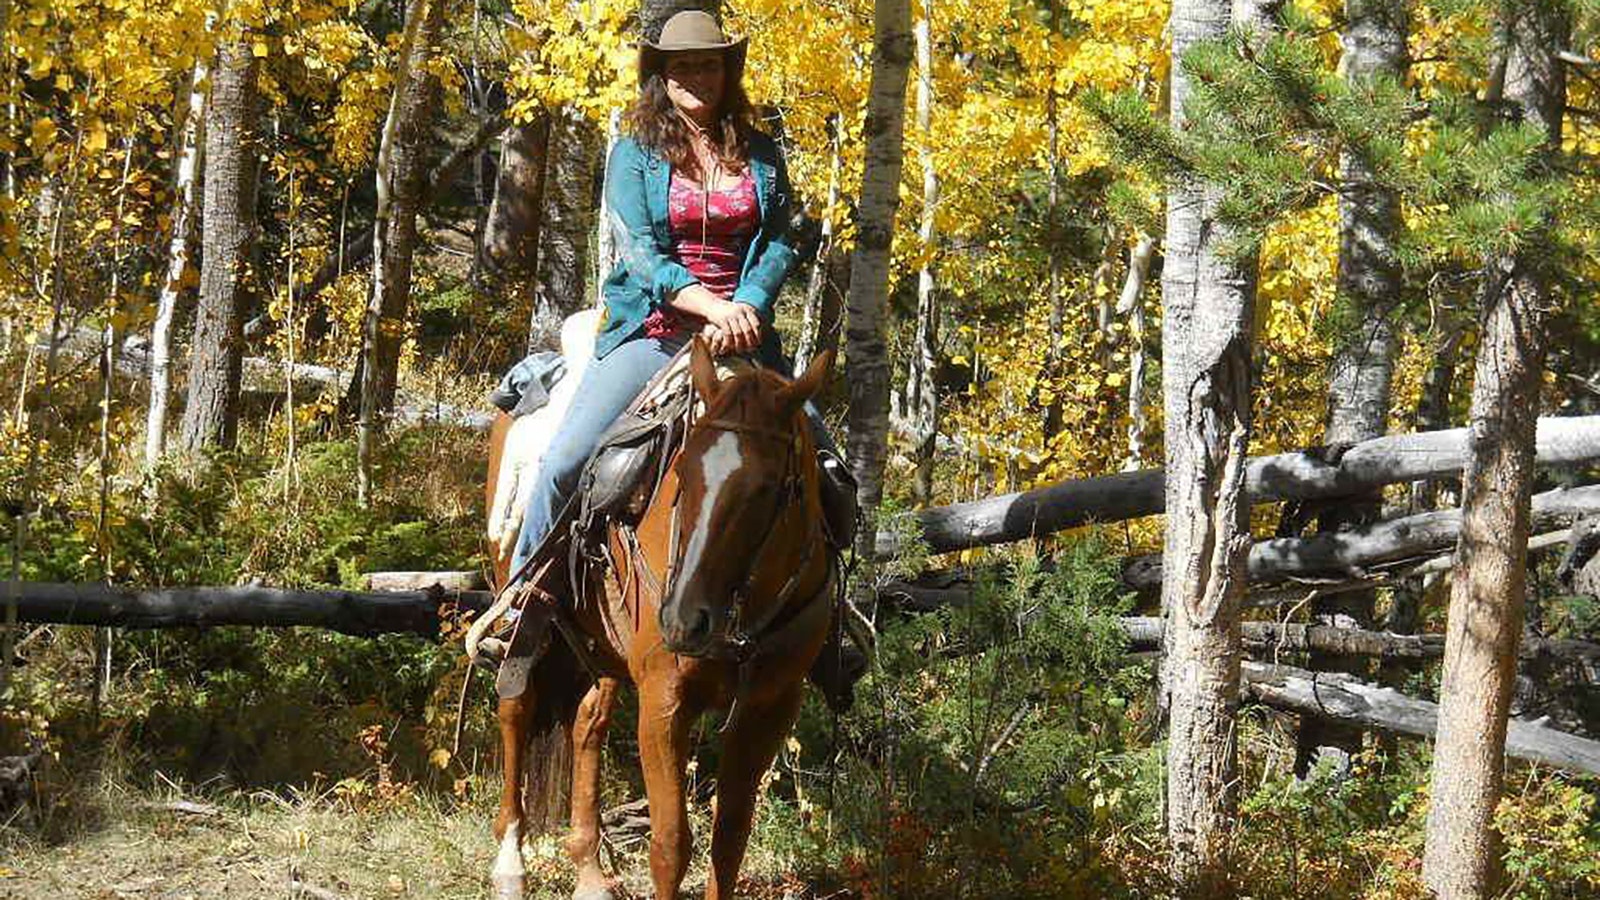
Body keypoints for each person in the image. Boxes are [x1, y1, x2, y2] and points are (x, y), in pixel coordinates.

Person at [509, 10, 837, 582]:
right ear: (661, 75)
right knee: (565, 460)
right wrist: (712, 308)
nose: (696, 77)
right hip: (653, 330)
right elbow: (639, 252)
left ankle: (837, 617)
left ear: (726, 71)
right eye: (681, 66)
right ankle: (520, 597)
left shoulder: (761, 153)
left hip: (743, 333)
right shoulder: (633, 154)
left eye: (708, 64)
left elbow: (780, 242)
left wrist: (746, 307)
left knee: (828, 465)